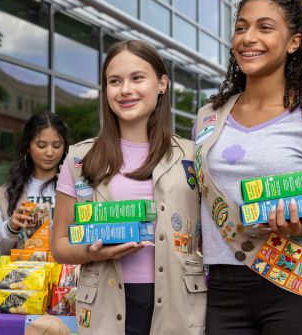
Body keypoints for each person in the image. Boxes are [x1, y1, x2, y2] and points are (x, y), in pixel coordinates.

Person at [194, 0, 302, 334]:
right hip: (221, 288)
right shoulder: (209, 117)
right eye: (241, 27)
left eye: (264, 27)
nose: (248, 37)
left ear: (293, 42)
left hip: (295, 284)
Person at [51, 40, 206, 334]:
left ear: (162, 84)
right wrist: (93, 252)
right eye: (114, 81)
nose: (125, 90)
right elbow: (59, 245)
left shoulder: (192, 156)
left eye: (137, 78)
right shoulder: (79, 158)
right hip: (105, 305)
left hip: (179, 305)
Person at [0, 111, 68, 259]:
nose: (50, 152)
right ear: (28, 146)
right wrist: (10, 227)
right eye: (41, 145)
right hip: (23, 280)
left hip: (66, 279)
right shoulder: (7, 193)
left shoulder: (75, 188)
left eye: (56, 145)